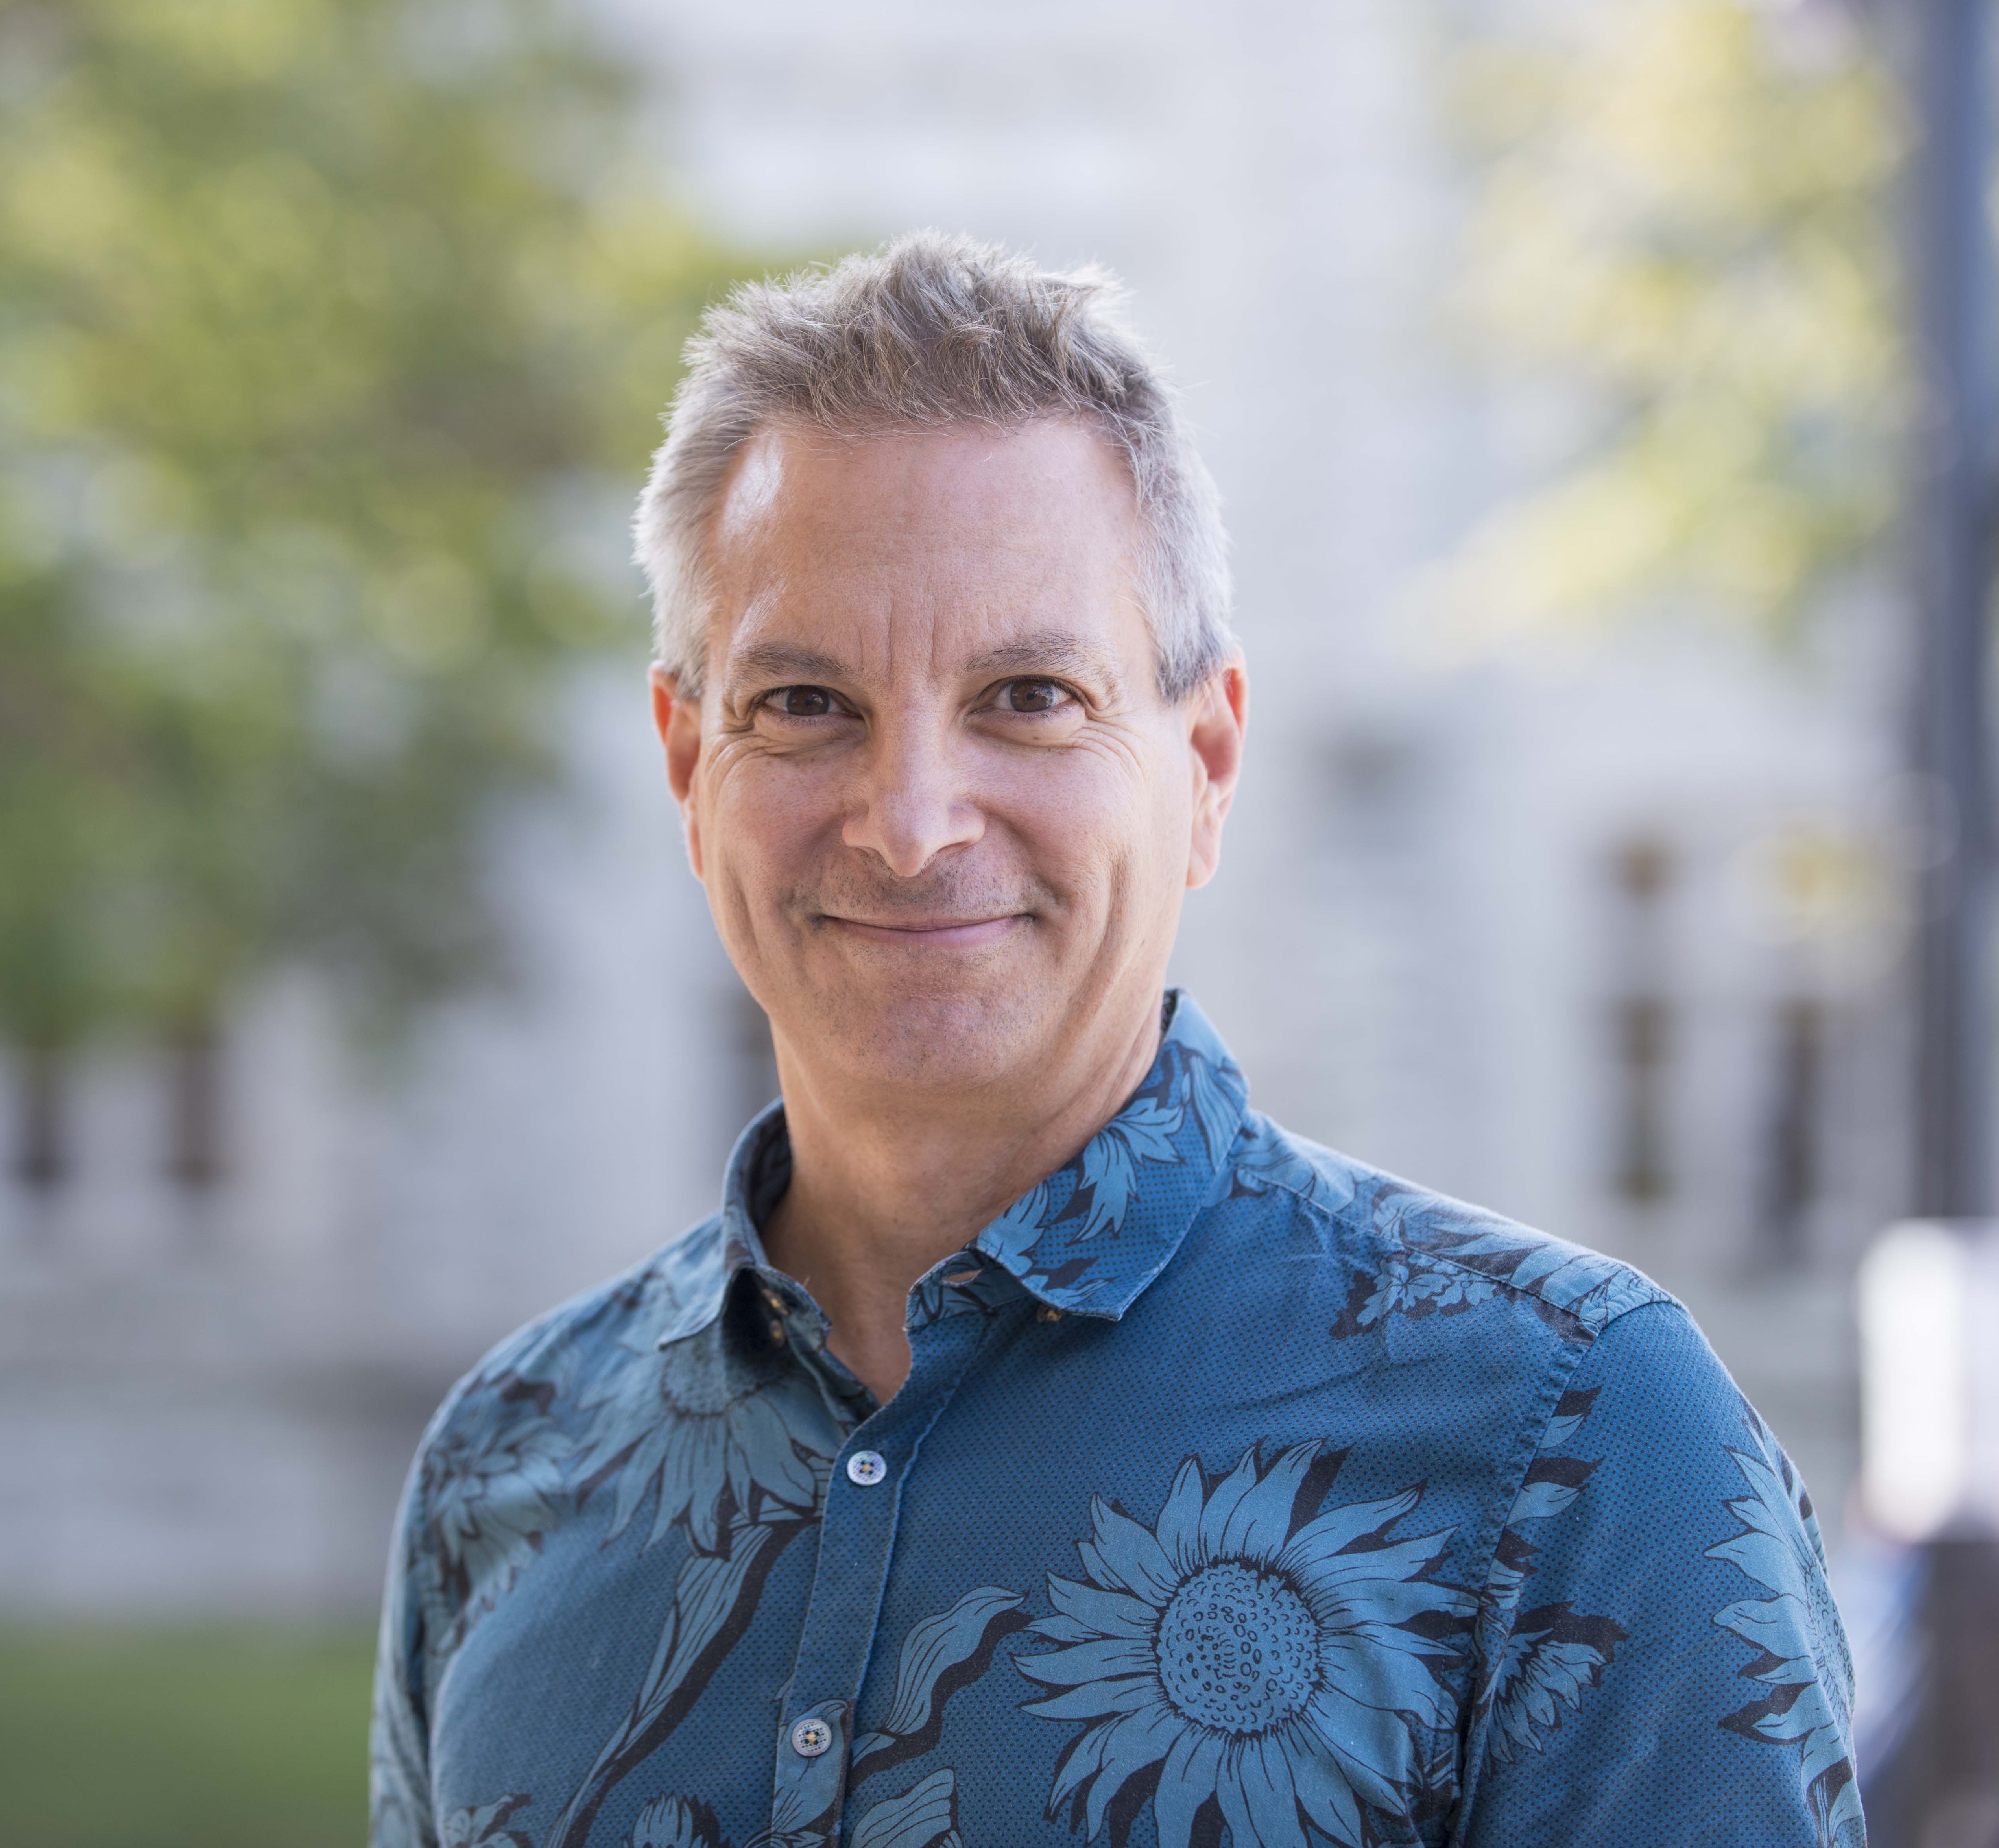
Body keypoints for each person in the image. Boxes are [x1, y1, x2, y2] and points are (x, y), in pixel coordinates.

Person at [370, 234, 1862, 1848]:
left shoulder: (1572, 1434)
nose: (911, 823)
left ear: (1204, 761)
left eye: (1024, 695)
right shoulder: (502, 1466)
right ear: (684, 763)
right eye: (804, 705)